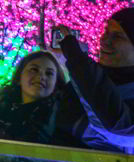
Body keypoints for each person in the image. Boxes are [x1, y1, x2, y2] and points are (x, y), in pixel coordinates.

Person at [56, 8, 134, 153]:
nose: (104, 40)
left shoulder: (89, 75)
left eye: (117, 36)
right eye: (106, 31)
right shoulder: (93, 75)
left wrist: (77, 60)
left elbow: (119, 129)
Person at [0, 50, 85, 147]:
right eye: (34, 70)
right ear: (19, 77)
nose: (41, 77)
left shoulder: (65, 123)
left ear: (56, 84)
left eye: (49, 73)